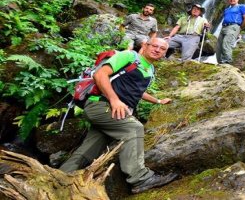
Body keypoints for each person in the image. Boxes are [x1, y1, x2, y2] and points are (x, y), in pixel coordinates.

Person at [60, 38, 177, 194]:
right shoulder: (129, 56)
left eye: (162, 49)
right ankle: (140, 178)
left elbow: (137, 91)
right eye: (154, 45)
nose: (157, 50)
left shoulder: (150, 69)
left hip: (113, 111)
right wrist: (114, 100)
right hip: (102, 105)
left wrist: (158, 101)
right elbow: (100, 74)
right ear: (145, 45)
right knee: (134, 128)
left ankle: (57, 177)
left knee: (88, 151)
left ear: (164, 53)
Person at [216, 0, 245, 64]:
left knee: (226, 43)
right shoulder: (227, 10)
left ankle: (228, 62)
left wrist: (238, 28)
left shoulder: (241, 6)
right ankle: (220, 63)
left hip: (233, 26)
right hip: (224, 27)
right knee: (219, 47)